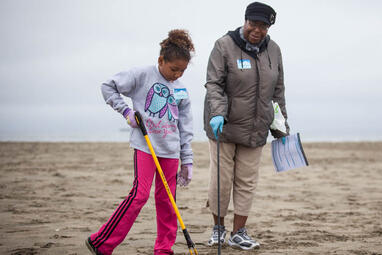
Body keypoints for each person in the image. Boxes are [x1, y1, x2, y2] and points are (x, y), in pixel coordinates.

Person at [86, 29, 195, 255]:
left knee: (168, 201)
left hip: (171, 151)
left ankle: (164, 250)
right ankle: (101, 243)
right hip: (145, 146)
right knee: (139, 195)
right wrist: (126, 111)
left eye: (182, 71)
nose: (177, 75)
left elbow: (185, 127)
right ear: (160, 60)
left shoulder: (182, 90)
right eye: (174, 69)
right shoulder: (141, 75)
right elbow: (108, 87)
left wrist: (187, 160)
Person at [203, 2, 289, 250]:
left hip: (256, 128)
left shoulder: (274, 50)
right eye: (254, 23)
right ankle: (218, 228)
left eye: (264, 25)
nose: (257, 30)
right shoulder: (224, 45)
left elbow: (278, 91)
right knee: (221, 179)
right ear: (245, 20)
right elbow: (214, 84)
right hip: (224, 127)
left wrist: (281, 128)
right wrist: (218, 113)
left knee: (247, 180)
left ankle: (239, 231)